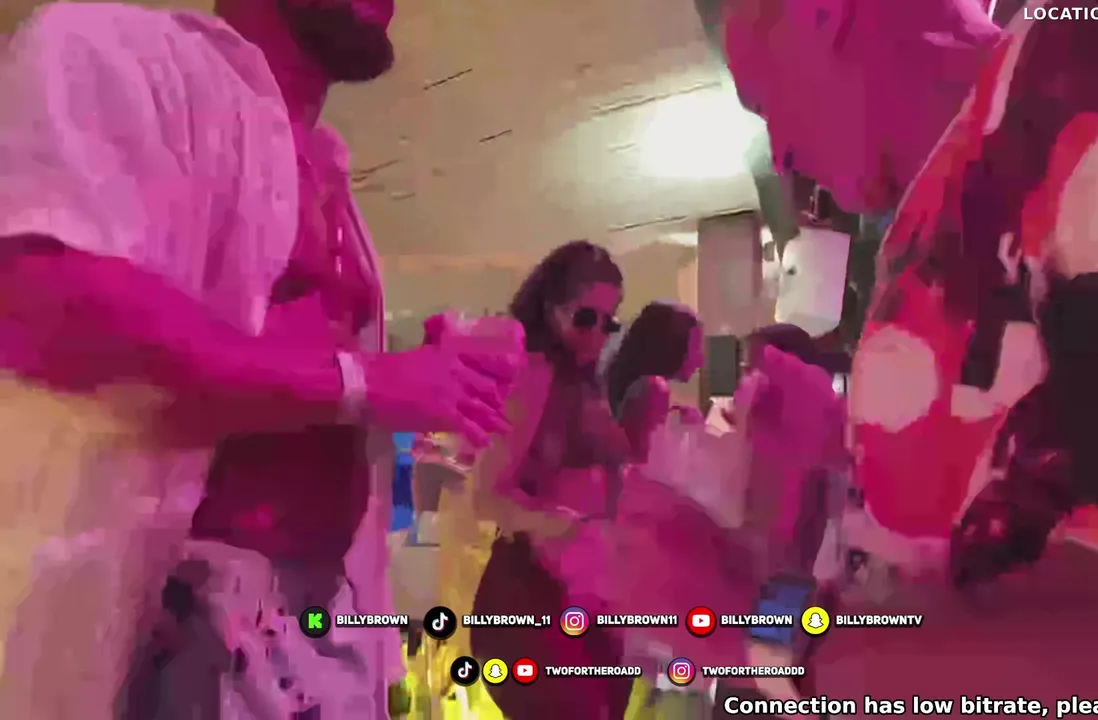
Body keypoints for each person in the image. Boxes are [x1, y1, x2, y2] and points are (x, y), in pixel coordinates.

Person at [0, 1, 519, 717]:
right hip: (169, 638)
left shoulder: (326, 169)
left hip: (318, 628)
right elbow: (46, 299)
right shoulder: (112, 50)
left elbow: (294, 372)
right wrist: (364, 381)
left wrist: (423, 373)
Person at [729, 0, 1098, 587]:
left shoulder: (1091, 76)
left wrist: (750, 590)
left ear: (821, 11)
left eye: (762, 99)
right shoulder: (963, 202)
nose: (780, 155)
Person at [465, 241, 635, 719]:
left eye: (609, 322)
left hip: (583, 592)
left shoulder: (581, 379)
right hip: (531, 592)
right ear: (550, 309)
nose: (597, 334)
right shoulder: (534, 373)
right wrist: (558, 522)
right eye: (586, 317)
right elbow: (485, 494)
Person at [605, 301, 703, 462]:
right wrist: (691, 433)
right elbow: (651, 466)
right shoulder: (654, 389)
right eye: (696, 348)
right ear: (672, 345)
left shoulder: (641, 387)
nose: (701, 360)